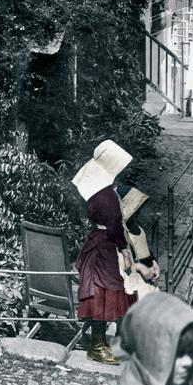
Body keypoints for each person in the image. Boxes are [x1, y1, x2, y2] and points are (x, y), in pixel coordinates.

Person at [72, 140, 137, 365]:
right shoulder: (106, 195)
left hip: (96, 241)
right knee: (106, 292)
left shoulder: (95, 191)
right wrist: (125, 250)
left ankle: (107, 343)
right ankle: (97, 346)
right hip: (105, 246)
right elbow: (114, 226)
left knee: (102, 291)